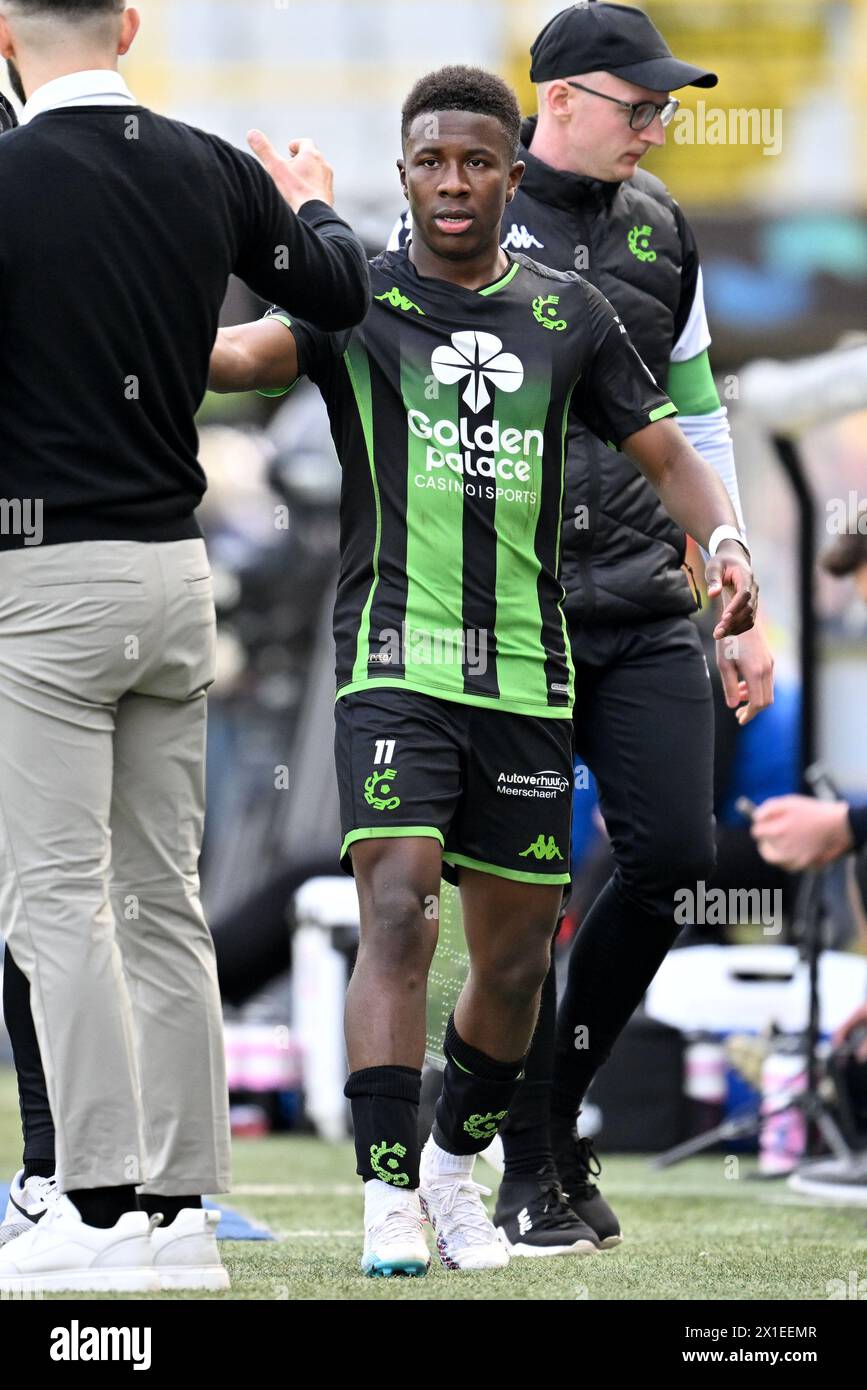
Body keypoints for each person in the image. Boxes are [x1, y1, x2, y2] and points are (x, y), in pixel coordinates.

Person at [209, 63, 758, 1277]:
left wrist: (723, 540)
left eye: (474, 163)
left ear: (512, 173)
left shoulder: (571, 315)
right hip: (396, 659)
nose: (451, 183)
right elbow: (241, 358)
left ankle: (461, 1168)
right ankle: (388, 1195)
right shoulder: (359, 302)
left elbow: (667, 449)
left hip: (528, 671)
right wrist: (117, 314)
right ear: (403, 177)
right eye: (428, 163)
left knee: (514, 960)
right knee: (397, 908)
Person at [389, 1, 775, 1255]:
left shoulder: (666, 229)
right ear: (556, 101)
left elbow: (697, 420)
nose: (656, 128)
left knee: (677, 859)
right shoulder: (464, 223)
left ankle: (534, 1122)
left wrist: (736, 584)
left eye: (666, 108)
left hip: (652, 606)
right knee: (523, 896)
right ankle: (515, 1149)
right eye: (638, 106)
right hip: (518, 614)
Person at [0, 0, 368, 1294]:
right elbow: (337, 294)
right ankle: (182, 1212)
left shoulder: (13, 171)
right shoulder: (210, 162)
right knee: (165, 900)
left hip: (40, 574)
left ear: (4, 29)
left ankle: (90, 1207)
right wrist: (310, 203)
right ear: (130, 25)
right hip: (175, 579)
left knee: (55, 897)